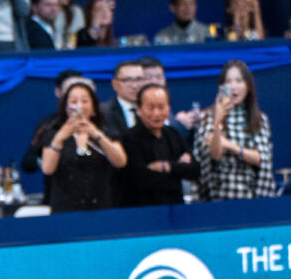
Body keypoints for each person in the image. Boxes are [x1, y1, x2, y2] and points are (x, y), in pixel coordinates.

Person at [31, 82, 127, 213]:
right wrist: (59, 138)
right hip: (65, 207)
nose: (79, 106)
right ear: (65, 107)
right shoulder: (52, 134)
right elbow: (47, 169)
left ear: (93, 107)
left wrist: (96, 134)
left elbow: (120, 161)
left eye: (84, 101)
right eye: (74, 101)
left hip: (101, 205)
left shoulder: (107, 132)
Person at [194, 60, 274, 201]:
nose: (233, 87)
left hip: (251, 194)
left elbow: (260, 158)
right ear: (221, 87)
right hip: (219, 194)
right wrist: (218, 120)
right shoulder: (208, 117)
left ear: (248, 86)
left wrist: (230, 146)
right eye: (228, 82)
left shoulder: (259, 119)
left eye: (239, 81)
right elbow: (215, 154)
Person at [117, 85, 197, 206]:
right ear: (139, 109)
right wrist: (179, 167)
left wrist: (168, 166)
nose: (156, 113)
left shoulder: (173, 133)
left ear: (169, 108)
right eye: (151, 108)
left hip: (175, 207)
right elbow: (141, 179)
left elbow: (195, 170)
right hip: (142, 209)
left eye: (161, 107)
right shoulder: (130, 137)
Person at [102, 60, 147, 137]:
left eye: (139, 79)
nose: (135, 86)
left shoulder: (153, 110)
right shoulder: (104, 113)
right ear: (115, 84)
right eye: (127, 80)